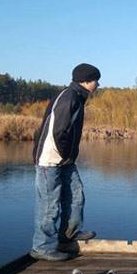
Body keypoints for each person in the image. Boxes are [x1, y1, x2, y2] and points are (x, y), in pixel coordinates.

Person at [29, 63, 100, 262]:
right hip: (51, 160)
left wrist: (67, 157)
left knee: (76, 196)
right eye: (96, 80)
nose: (98, 84)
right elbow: (58, 131)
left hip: (64, 160)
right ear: (86, 81)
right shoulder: (69, 97)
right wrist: (63, 154)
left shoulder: (77, 96)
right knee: (49, 205)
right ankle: (41, 247)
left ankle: (69, 235)